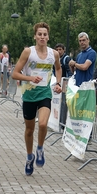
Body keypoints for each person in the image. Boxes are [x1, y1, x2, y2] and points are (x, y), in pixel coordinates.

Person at [11, 22, 62, 176]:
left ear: (48, 37)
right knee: (29, 130)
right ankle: (29, 157)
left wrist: (58, 83)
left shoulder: (54, 54)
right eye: (39, 34)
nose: (42, 37)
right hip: (29, 95)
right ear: (35, 36)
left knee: (44, 123)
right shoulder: (28, 52)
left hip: (45, 93)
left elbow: (58, 69)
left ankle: (40, 148)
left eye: (45, 34)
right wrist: (30, 78)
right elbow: (15, 73)